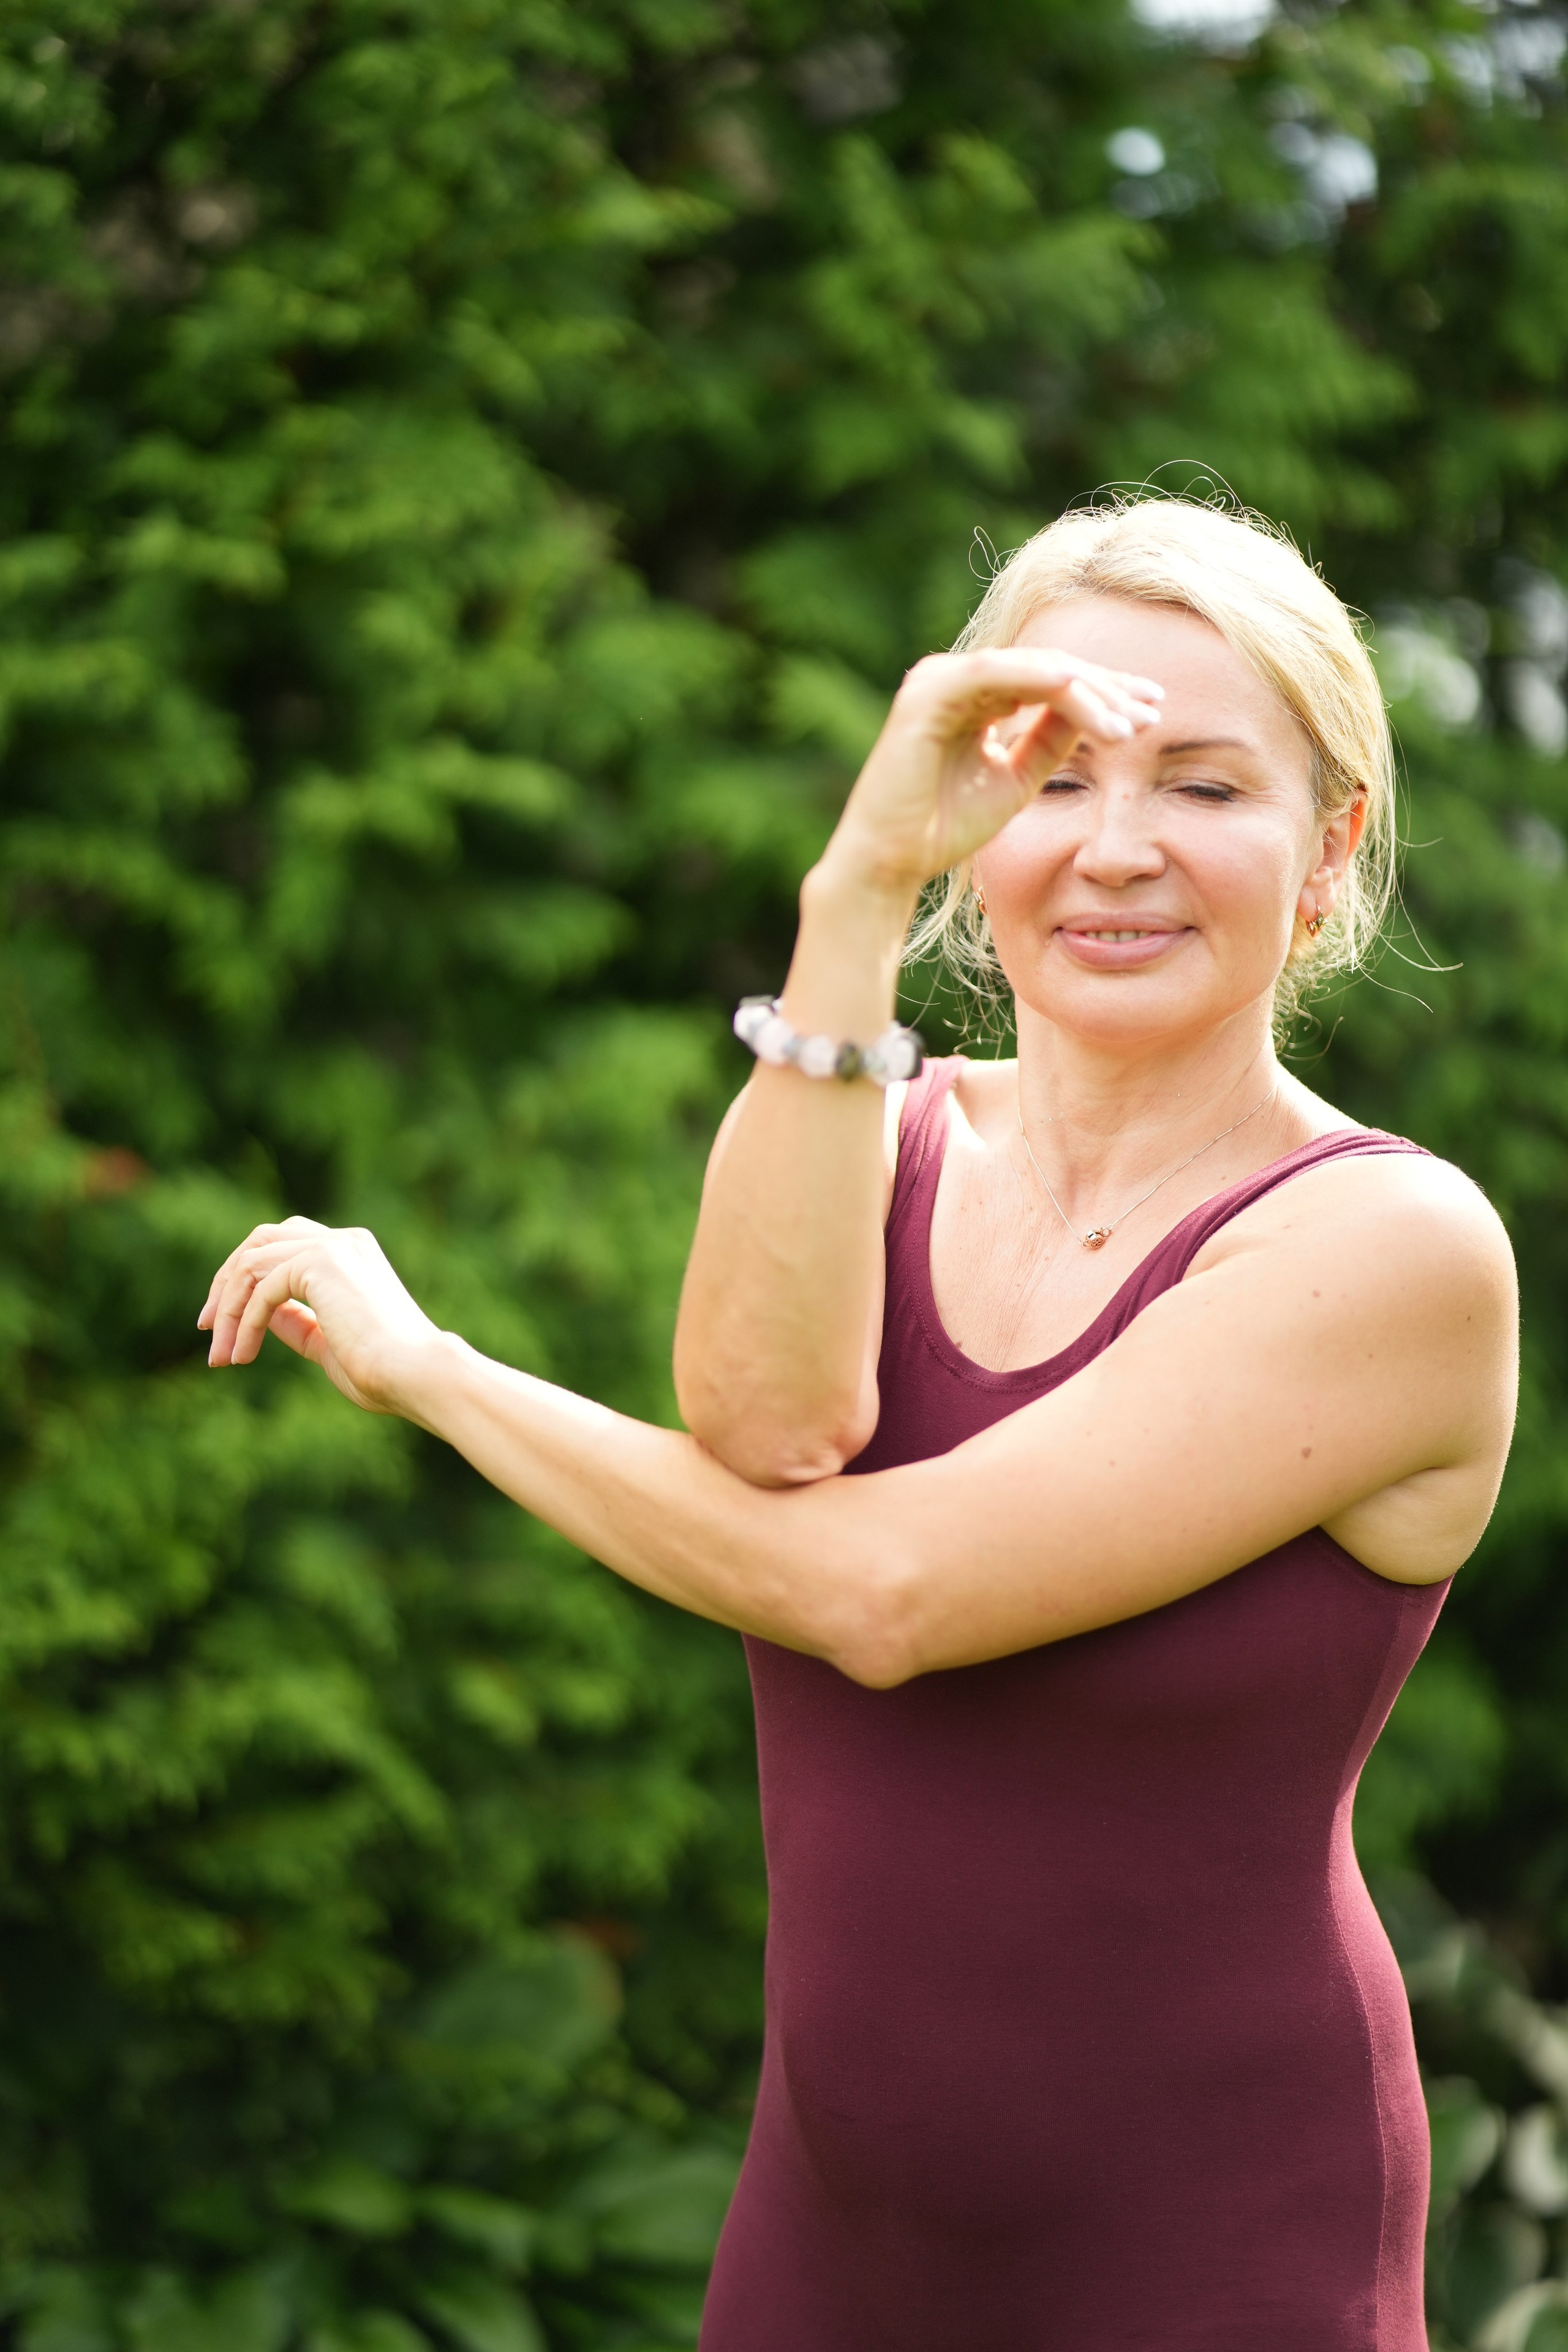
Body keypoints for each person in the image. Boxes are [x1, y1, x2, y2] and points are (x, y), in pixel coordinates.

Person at [201, 496, 1518, 2351]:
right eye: (1055, 781)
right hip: (830, 2246)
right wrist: (853, 892)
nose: (1118, 851)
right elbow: (763, 1429)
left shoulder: (1392, 1248)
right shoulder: (878, 1138)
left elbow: (882, 1594)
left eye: (1209, 789)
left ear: (1330, 847)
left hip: (1215, 2249)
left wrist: (438, 1371)